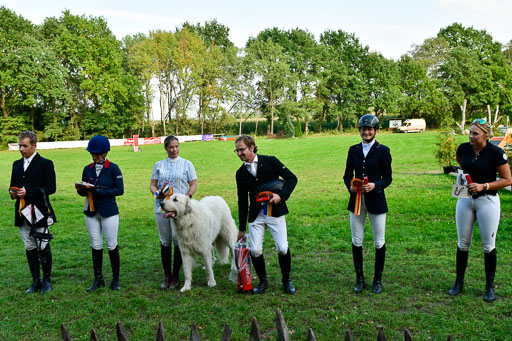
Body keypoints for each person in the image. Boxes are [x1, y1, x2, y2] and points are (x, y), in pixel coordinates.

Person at [448, 119, 512, 302]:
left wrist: (484, 185)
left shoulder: (496, 153)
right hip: (465, 198)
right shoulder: (463, 149)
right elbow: (461, 162)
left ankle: (489, 287)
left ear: (486, 135)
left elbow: (507, 180)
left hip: (487, 200)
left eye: (475, 133)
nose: (471, 136)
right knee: (462, 243)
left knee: (488, 245)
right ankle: (458, 282)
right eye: (470, 132)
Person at [235, 135, 298, 294]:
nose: (239, 153)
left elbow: (292, 179)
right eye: (236, 151)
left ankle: (286, 280)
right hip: (256, 214)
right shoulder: (240, 173)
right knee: (255, 250)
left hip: (274, 212)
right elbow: (242, 201)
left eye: (241, 149)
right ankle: (263, 281)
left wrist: (281, 196)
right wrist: (241, 228)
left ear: (251, 147)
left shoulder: (271, 161)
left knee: (283, 248)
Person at [343, 114, 392, 294]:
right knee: (357, 240)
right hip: (356, 201)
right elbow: (347, 174)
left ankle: (377, 280)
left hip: (376, 200)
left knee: (379, 241)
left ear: (375, 131)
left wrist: (375, 185)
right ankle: (360, 278)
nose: (366, 132)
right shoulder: (353, 149)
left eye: (370, 129)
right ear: (360, 130)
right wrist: (350, 186)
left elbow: (388, 178)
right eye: (363, 129)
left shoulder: (383, 150)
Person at [9, 130, 56, 294]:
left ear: (34, 146)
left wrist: (28, 191)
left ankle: (47, 281)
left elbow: (51, 188)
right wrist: (13, 193)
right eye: (19, 145)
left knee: (43, 245)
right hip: (22, 212)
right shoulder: (16, 164)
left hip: (39, 211)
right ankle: (36, 280)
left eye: (24, 146)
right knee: (29, 246)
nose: (21, 149)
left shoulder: (46, 163)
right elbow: (13, 185)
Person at [75, 135, 124, 291]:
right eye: (93, 153)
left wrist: (99, 192)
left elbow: (120, 190)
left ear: (105, 153)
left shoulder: (113, 168)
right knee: (95, 245)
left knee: (111, 244)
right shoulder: (87, 169)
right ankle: (98, 278)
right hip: (90, 211)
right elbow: (85, 191)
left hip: (108, 211)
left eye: (97, 154)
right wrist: (81, 190)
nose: (94, 156)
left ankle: (115, 279)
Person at [150, 135, 197, 289]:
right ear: (166, 148)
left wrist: (188, 197)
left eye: (176, 146)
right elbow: (152, 185)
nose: (174, 149)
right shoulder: (158, 165)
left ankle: (176, 275)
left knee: (178, 241)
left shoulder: (187, 164)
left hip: (179, 210)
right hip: (162, 206)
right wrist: (157, 193)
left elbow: (193, 184)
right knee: (165, 241)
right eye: (171, 147)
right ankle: (166, 275)